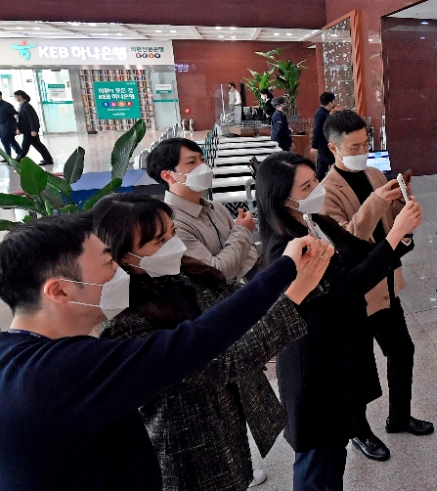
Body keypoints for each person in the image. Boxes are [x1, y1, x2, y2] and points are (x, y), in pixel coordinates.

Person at [0, 213, 330, 491]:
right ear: (59, 290)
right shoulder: (64, 372)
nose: (120, 271)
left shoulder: (18, 355)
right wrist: (286, 268)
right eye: (107, 262)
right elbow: (199, 341)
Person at [92, 194, 308, 491]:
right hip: (186, 447)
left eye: (173, 233)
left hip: (226, 422)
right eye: (159, 241)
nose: (174, 245)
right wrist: (294, 297)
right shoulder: (124, 322)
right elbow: (224, 362)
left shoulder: (182, 274)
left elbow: (237, 301)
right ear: (123, 255)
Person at [257, 151, 423, 491]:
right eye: (306, 186)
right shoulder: (284, 248)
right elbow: (347, 285)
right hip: (314, 365)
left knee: (336, 448)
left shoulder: (316, 221)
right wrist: (394, 238)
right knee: (316, 457)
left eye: (314, 180)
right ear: (281, 198)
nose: (317, 189)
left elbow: (360, 256)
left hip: (341, 351)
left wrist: (400, 235)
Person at [320, 110, 434, 463]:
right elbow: (345, 242)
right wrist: (377, 202)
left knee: (402, 351)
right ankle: (359, 431)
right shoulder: (325, 192)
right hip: (354, 292)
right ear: (333, 148)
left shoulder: (372, 173)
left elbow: (386, 227)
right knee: (357, 368)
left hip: (384, 283)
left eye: (366, 143)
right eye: (353, 146)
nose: (362, 150)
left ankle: (399, 416)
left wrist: (399, 203)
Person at [147, 138, 259, 281]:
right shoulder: (172, 226)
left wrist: (237, 253)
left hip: (252, 280)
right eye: (192, 162)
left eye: (202, 160)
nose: (204, 167)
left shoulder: (216, 208)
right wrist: (243, 231)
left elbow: (250, 251)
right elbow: (216, 273)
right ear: (168, 176)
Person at [13, 90, 53, 166]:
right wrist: (18, 128)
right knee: (38, 145)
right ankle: (48, 159)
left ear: (20, 96)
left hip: (29, 131)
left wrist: (34, 130)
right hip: (26, 130)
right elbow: (20, 119)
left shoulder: (27, 106)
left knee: (25, 146)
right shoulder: (22, 106)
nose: (16, 98)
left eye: (16, 96)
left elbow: (33, 119)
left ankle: (18, 159)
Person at [311, 92, 338, 181]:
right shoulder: (321, 114)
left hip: (323, 144)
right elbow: (317, 130)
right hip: (323, 144)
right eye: (333, 101)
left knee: (322, 166)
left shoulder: (323, 113)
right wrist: (314, 145)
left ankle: (320, 183)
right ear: (330, 103)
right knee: (333, 163)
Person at [0, 90, 22, 160]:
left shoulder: (7, 105)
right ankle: (9, 157)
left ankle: (20, 155)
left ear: (0, 97)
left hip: (8, 127)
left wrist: (17, 127)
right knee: (6, 141)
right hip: (1, 127)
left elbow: (15, 115)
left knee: (10, 141)